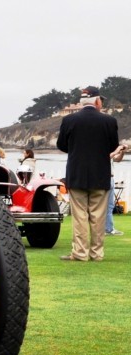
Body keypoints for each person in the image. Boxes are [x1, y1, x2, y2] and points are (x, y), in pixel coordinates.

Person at [56, 85, 126, 261]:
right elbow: (112, 146)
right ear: (97, 101)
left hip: (76, 174)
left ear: (81, 102)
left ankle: (80, 253)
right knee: (98, 217)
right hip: (100, 175)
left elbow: (62, 145)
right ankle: (96, 253)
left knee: (79, 217)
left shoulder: (69, 120)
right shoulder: (109, 121)